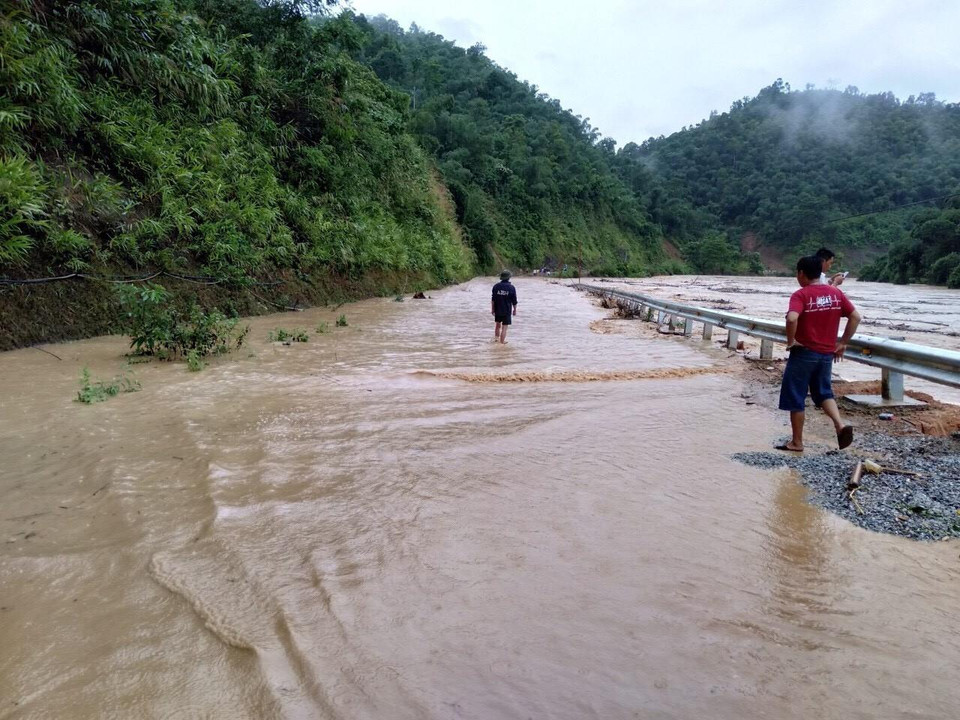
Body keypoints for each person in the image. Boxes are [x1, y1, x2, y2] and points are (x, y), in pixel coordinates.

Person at [777, 255, 861, 452]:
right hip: (826, 354)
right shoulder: (835, 294)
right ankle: (840, 425)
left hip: (803, 352)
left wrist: (791, 342)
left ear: (801, 273)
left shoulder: (801, 295)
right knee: (824, 392)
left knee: (796, 396)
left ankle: (797, 442)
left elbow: (791, 318)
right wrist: (843, 343)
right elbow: (856, 317)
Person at [491, 270, 518, 343]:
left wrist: (493, 309)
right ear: (509, 278)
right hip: (506, 310)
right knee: (504, 327)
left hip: (498, 309)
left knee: (497, 325)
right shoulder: (511, 288)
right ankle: (502, 343)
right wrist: (514, 310)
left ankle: (496, 340)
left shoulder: (496, 286)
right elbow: (514, 301)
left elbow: (493, 299)